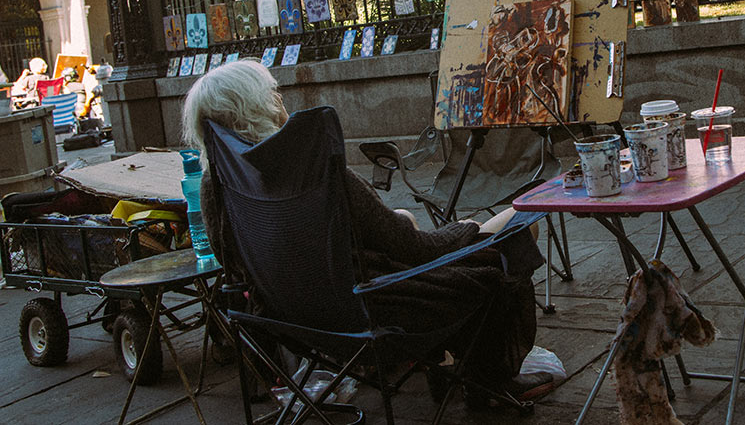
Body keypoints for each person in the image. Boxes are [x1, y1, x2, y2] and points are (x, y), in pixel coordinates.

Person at [181, 60, 547, 400]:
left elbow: (237, 268)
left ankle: (444, 363)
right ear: (258, 108)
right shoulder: (317, 173)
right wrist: (465, 229)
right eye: (273, 93)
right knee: (516, 226)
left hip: (295, 321)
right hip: (371, 314)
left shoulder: (217, 185)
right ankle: (489, 382)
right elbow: (414, 250)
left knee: (404, 215)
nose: (280, 99)